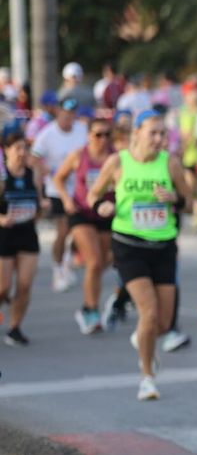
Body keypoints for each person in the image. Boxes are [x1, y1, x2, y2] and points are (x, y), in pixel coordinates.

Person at [84, 111, 193, 400]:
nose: (158, 139)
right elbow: (93, 194)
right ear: (137, 134)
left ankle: (142, 338)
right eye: (152, 133)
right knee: (149, 312)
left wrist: (174, 199)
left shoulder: (170, 163)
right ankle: (147, 377)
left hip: (163, 246)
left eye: (163, 134)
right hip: (129, 245)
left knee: (163, 323)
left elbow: (190, 203)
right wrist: (101, 206)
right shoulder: (118, 162)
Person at [56, 116, 116, 334]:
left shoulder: (116, 158)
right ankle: (89, 310)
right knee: (94, 262)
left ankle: (92, 304)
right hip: (81, 212)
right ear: (89, 135)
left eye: (107, 134)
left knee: (103, 262)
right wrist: (66, 199)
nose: (103, 139)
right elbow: (59, 178)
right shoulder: (78, 155)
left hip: (106, 212)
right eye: (98, 135)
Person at [30, 96, 88, 294]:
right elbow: (34, 158)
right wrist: (49, 171)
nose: (69, 117)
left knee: (76, 231)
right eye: (65, 113)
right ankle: (58, 270)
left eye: (72, 113)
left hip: (79, 189)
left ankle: (67, 262)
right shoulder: (47, 134)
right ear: (58, 112)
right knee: (63, 230)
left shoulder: (81, 130)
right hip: (57, 188)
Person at [0, 128, 43, 344]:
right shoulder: (2, 177)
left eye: (25, 148)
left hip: (27, 234)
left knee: (25, 285)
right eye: (17, 148)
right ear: (6, 150)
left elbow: (39, 202)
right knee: (3, 288)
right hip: (4, 236)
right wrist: (1, 219)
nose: (22, 153)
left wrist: (41, 208)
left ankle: (14, 328)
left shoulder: (32, 174)